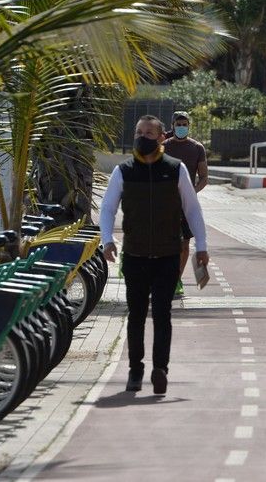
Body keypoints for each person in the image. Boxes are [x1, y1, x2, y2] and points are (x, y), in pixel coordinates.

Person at [100, 115, 209, 395]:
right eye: (139, 132)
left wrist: (202, 248)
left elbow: (192, 209)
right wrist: (107, 240)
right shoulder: (123, 170)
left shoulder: (175, 169)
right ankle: (135, 369)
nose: (143, 137)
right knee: (135, 315)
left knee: (162, 314)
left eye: (149, 133)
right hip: (134, 255)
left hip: (167, 255)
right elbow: (108, 208)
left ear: (162, 137)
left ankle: (160, 368)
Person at [163, 111, 208, 300]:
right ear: (172, 125)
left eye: (185, 124)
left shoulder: (197, 148)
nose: (182, 127)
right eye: (178, 124)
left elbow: (204, 177)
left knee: (184, 244)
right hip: (166, 205)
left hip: (187, 206)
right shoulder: (164, 146)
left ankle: (176, 280)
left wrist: (192, 192)